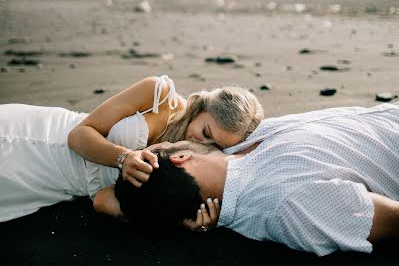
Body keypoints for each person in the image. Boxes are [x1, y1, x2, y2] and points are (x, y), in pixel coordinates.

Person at [106, 102, 399, 256]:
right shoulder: (288, 206)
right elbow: (392, 219)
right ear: (181, 158)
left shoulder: (235, 145)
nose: (171, 140)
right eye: (163, 146)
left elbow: (107, 201)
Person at [0, 75, 263, 223]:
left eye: (215, 145)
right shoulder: (158, 94)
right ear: (203, 107)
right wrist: (122, 158)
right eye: (206, 132)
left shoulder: (188, 169)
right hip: (39, 135)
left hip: (48, 184)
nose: (202, 144)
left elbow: (108, 200)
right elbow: (78, 135)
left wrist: (186, 222)